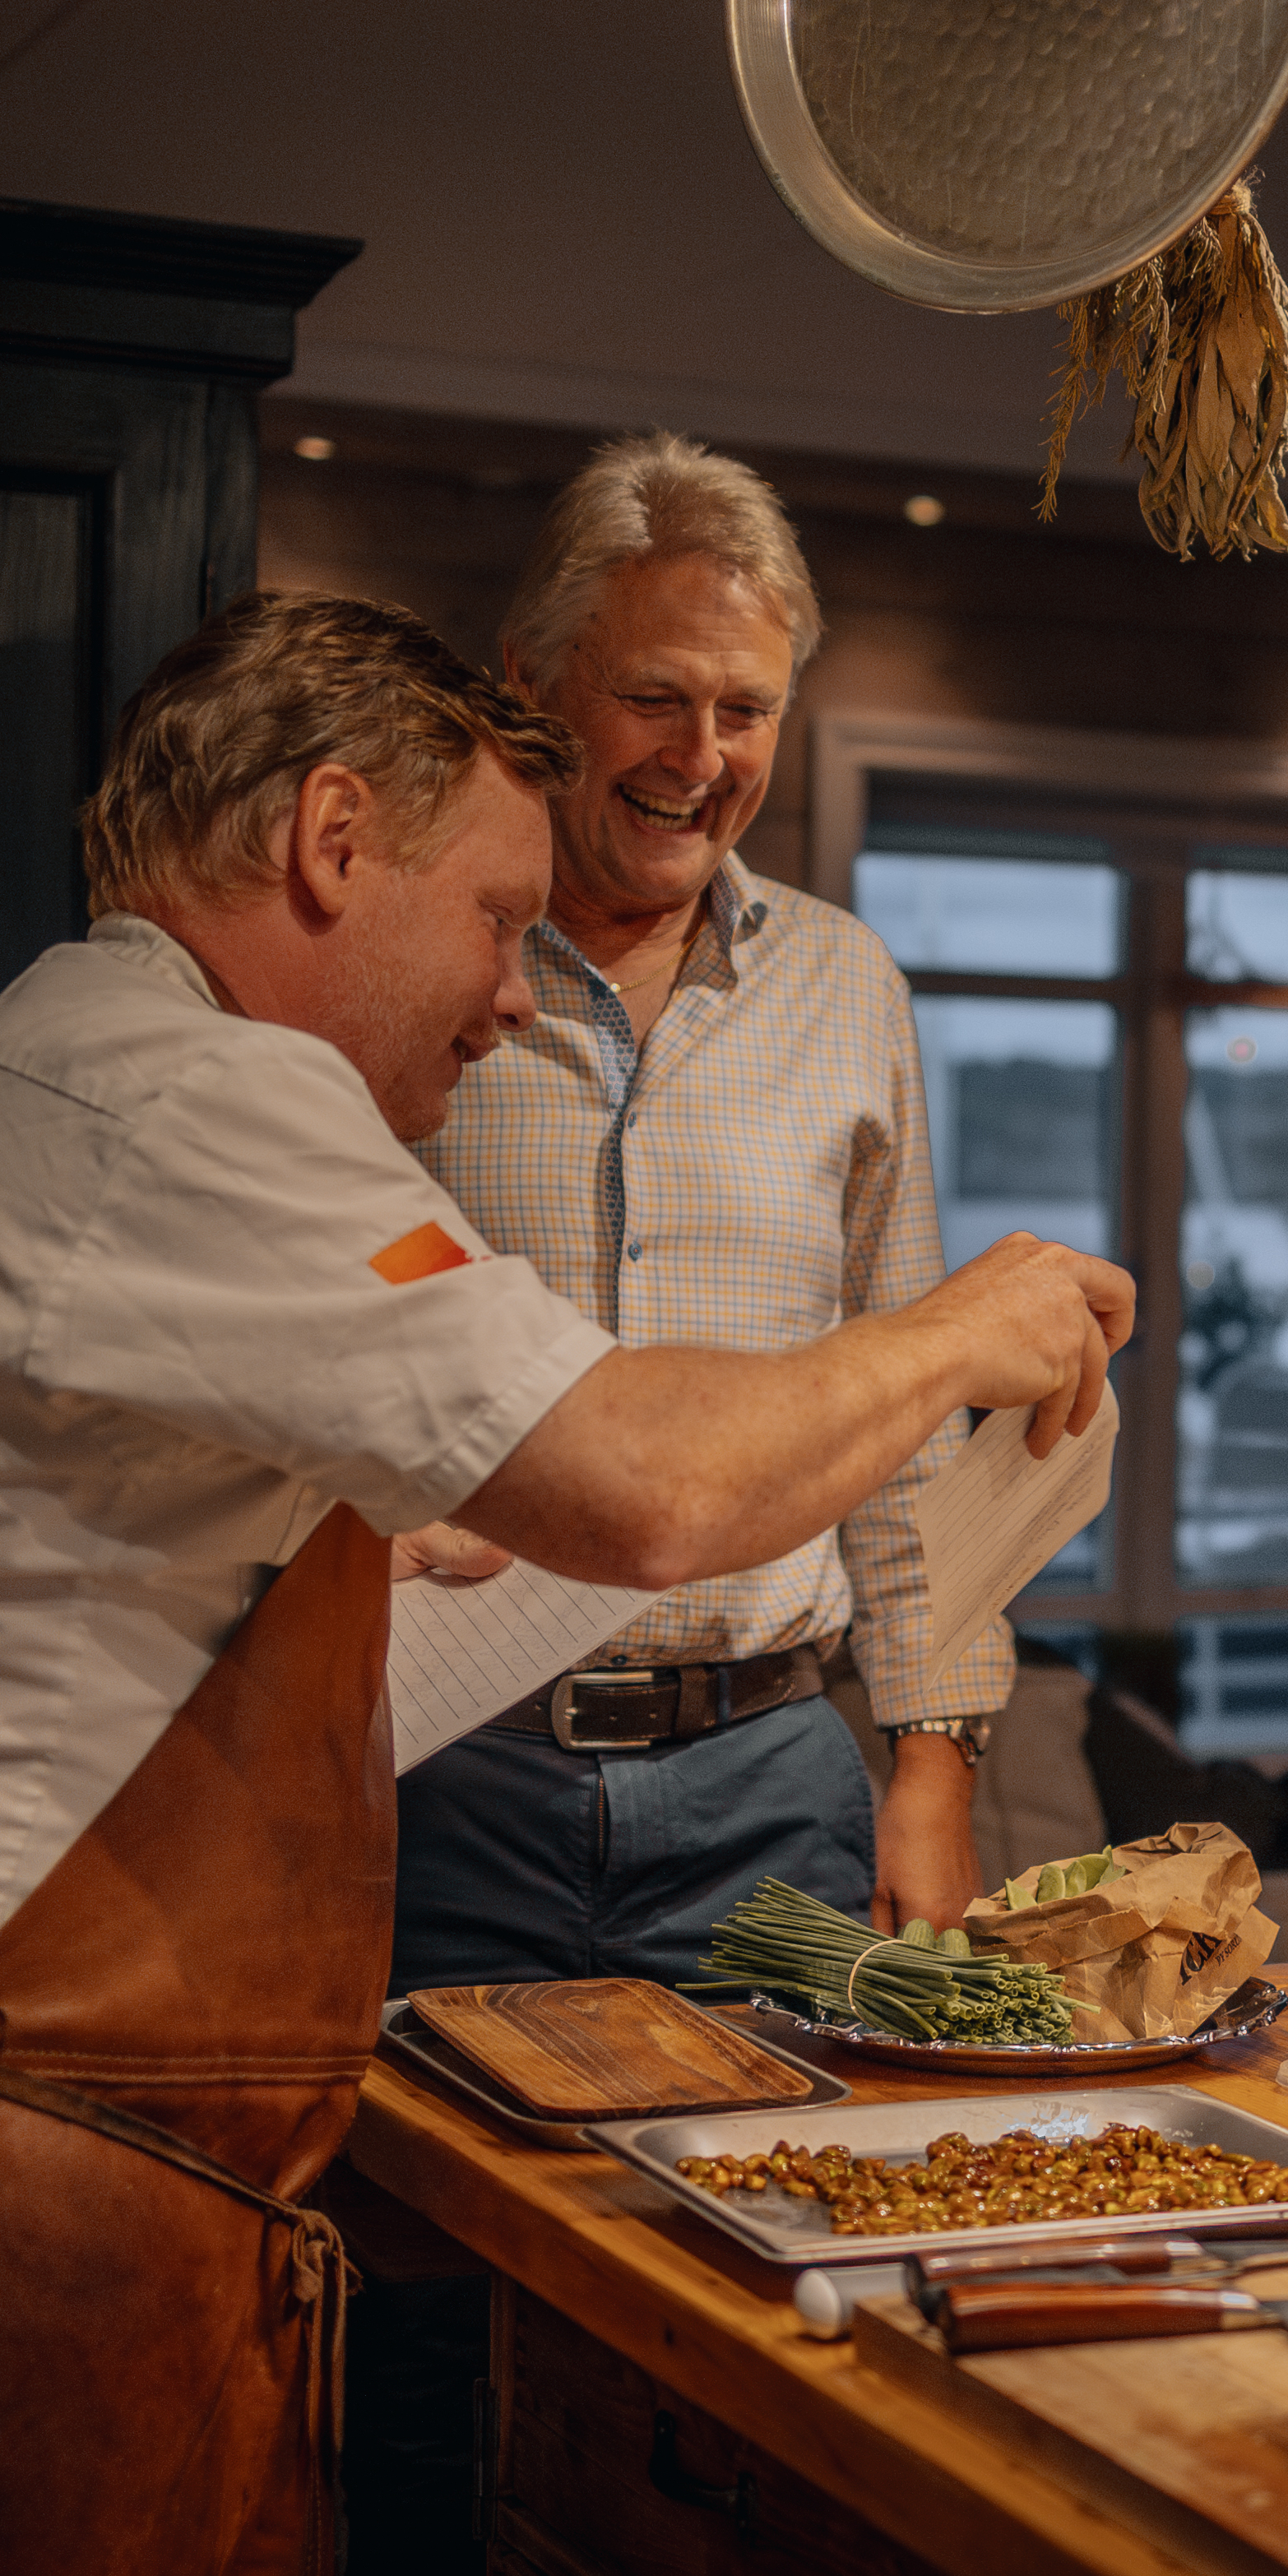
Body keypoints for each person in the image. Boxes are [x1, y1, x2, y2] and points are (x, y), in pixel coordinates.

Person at [0, 590, 1128, 2576]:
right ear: (325, 839)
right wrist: (951, 1333)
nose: (503, 1000)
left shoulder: (4, 1081)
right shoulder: (195, 1105)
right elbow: (648, 1489)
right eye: (491, 916)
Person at [382, 432, 1002, 1978]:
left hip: (768, 1783)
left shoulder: (844, 983)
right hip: (441, 1771)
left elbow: (910, 1425)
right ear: (533, 680)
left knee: (771, 2205)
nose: (702, 754)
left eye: (748, 711)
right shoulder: (408, 978)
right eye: (655, 697)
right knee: (432, 2212)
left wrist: (931, 1764)